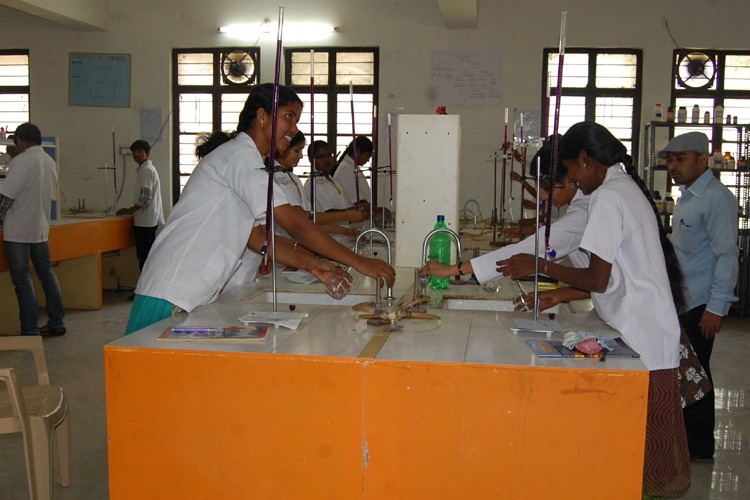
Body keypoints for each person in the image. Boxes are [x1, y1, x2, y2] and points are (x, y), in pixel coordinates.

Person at [498, 121, 690, 498]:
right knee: (651, 453)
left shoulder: (607, 197)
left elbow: (599, 278)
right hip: (648, 329)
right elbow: (616, 275)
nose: (574, 181)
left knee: (650, 457)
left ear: (585, 160)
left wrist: (540, 266)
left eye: (570, 171)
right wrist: (558, 289)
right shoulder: (624, 187)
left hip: (644, 336)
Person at [125, 83, 395, 334]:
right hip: (169, 291)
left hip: (189, 294)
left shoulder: (251, 162)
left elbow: (259, 237)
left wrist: (314, 265)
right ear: (262, 115)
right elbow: (297, 225)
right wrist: (359, 262)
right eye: (289, 117)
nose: (292, 129)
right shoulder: (240, 156)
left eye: (296, 120)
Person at [422, 140, 591, 298]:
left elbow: (532, 247)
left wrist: (452, 270)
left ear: (569, 179)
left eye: (547, 188)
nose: (544, 196)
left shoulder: (581, 213)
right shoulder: (576, 206)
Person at [661, 131, 739, 461]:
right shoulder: (688, 197)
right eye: (669, 161)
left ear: (702, 160)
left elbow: (727, 255)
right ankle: (689, 443)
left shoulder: (716, 199)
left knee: (697, 374)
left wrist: (716, 307)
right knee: (687, 371)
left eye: (680, 159)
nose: (673, 166)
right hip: (683, 298)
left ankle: (700, 449)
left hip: (701, 304)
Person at [0, 123, 66, 336]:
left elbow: (5, 199)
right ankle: (57, 322)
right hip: (40, 229)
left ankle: (29, 328)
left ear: (20, 140)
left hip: (18, 230)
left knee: (22, 278)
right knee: (46, 273)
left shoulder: (21, 162)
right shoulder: (49, 161)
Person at [304, 139, 367, 244]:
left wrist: (361, 209)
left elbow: (345, 207)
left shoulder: (332, 180)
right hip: (328, 240)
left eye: (329, 155)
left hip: (343, 238)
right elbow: (326, 214)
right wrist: (350, 214)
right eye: (321, 157)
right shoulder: (313, 184)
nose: (327, 160)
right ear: (311, 160)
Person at [116, 140, 165, 273]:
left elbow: (145, 199)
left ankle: (143, 291)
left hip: (146, 223)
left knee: (145, 259)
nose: (136, 154)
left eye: (139, 151)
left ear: (147, 153)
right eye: (134, 152)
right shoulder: (144, 169)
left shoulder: (146, 171)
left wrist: (128, 210)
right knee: (145, 258)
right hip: (146, 220)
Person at [333, 136, 373, 206]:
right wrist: (376, 210)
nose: (368, 160)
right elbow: (358, 201)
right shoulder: (346, 169)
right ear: (357, 152)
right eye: (367, 156)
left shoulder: (352, 167)